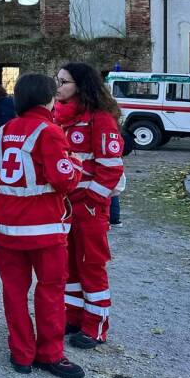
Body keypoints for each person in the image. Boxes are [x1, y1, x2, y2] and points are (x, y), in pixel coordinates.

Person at [0, 73, 85, 378]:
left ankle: (21, 353)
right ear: (47, 99)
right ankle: (50, 353)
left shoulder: (1, 132)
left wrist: (6, 199)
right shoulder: (49, 132)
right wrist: (75, 164)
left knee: (14, 292)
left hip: (8, 227)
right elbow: (64, 179)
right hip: (45, 228)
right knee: (50, 291)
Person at [54, 62, 125, 349]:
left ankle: (96, 326)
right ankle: (73, 317)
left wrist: (90, 202)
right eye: (57, 80)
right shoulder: (58, 117)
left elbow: (110, 170)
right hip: (66, 207)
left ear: (81, 86)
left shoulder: (99, 119)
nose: (57, 86)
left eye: (64, 82)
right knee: (68, 266)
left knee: (91, 266)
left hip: (90, 209)